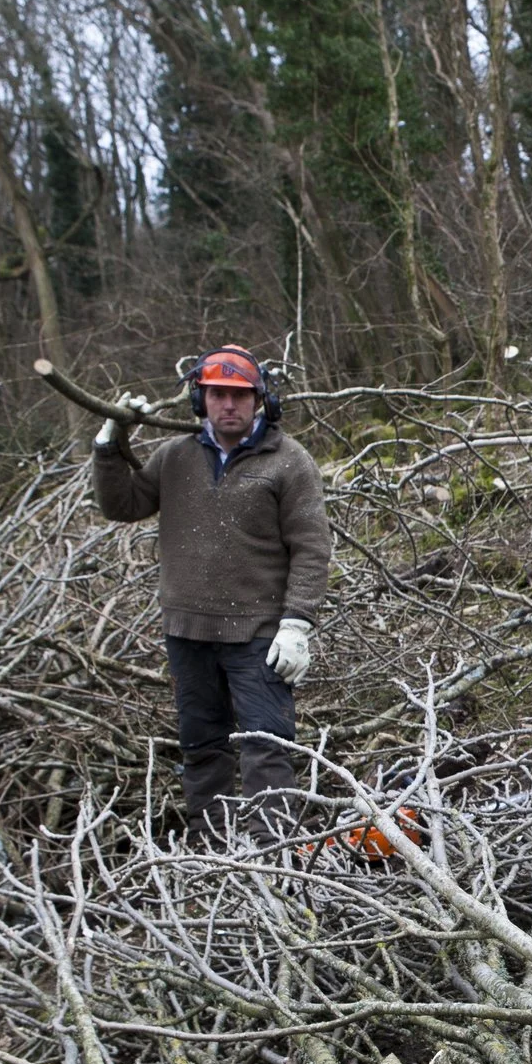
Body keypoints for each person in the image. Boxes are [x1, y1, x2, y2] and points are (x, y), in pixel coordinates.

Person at [93, 345, 330, 840]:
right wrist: (109, 445)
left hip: (259, 633)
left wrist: (297, 624)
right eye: (218, 394)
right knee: (201, 746)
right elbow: (123, 504)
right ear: (200, 399)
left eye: (239, 395)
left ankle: (273, 854)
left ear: (259, 399)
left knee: (267, 745)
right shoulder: (175, 456)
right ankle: (212, 848)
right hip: (187, 630)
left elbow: (311, 547)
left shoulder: (289, 461)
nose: (228, 405)